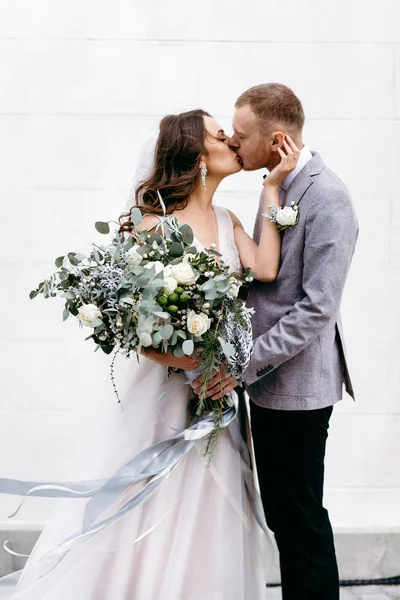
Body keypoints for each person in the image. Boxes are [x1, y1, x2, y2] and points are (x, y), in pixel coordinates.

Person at [0, 109, 299, 599]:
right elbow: (133, 332)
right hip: (167, 400)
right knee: (149, 506)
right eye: (218, 134)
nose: (229, 139)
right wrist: (196, 364)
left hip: (215, 400)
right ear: (198, 155)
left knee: (209, 511)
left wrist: (271, 190)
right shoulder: (152, 228)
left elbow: (265, 268)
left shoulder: (227, 221)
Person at [198, 84, 359, 600]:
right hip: (269, 384)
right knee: (285, 517)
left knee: (301, 518)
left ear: (277, 139)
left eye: (241, 136)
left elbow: (316, 308)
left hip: (297, 389)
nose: (232, 141)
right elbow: (264, 277)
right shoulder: (280, 183)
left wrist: (243, 361)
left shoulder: (328, 197)